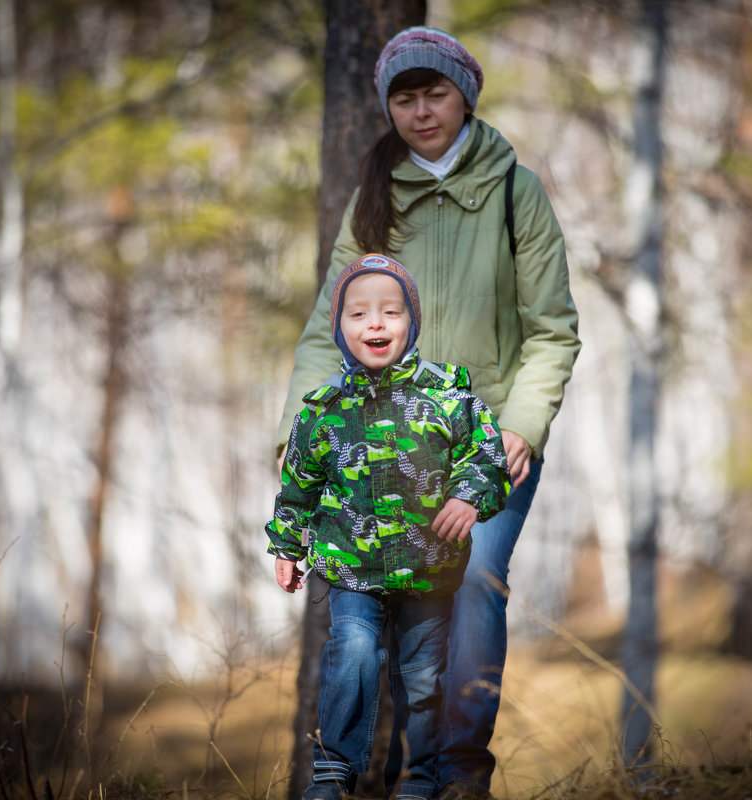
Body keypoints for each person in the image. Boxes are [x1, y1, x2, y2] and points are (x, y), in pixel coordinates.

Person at [276, 26, 582, 799]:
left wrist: (522, 426)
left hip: (486, 445)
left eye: (434, 93)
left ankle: (452, 776)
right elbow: (327, 327)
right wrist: (295, 431)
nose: (420, 112)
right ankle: (359, 773)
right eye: (404, 98)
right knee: (372, 601)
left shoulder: (518, 190)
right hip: (380, 447)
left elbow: (552, 331)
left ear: (465, 96)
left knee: (473, 579)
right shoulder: (376, 194)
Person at [268, 253, 510, 800]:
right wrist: (287, 544)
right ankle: (332, 773)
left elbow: (488, 460)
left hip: (431, 569)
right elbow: (298, 486)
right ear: (340, 328)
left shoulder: (448, 396)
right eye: (358, 314)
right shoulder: (321, 412)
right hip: (353, 569)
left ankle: (417, 780)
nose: (375, 323)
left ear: (412, 322)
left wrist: (468, 497)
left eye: (390, 312)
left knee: (423, 681)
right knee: (352, 652)